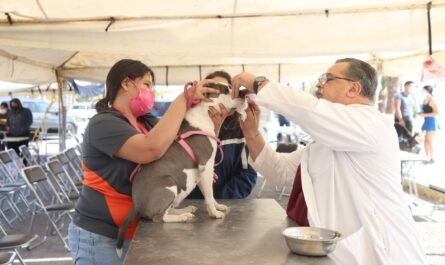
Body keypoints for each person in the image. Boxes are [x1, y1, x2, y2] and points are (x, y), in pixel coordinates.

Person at [232, 58, 426, 265]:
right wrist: (252, 133)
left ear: (353, 88)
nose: (320, 84)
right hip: (341, 253)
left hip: (384, 252)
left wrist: (258, 84)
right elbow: (279, 171)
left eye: (328, 79)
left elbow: (311, 110)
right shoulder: (327, 140)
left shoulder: (373, 124)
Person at [67, 59, 219, 265]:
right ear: (126, 84)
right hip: (101, 237)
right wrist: (183, 100)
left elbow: (183, 150)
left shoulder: (146, 123)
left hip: (141, 231)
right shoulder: (102, 124)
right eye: (147, 84)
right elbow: (152, 149)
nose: (151, 91)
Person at [187, 70, 257, 199]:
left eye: (228, 91)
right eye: (216, 93)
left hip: (229, 205)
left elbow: (248, 175)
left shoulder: (241, 130)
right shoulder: (187, 130)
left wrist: (219, 199)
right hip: (191, 205)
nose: (224, 97)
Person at [419, 85, 440, 163]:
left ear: (428, 91)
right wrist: (421, 113)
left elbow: (437, 112)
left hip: (432, 122)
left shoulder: (432, 100)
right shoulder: (425, 100)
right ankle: (427, 156)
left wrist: (425, 115)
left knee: (429, 140)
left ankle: (432, 157)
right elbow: (426, 111)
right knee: (425, 140)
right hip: (426, 121)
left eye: (424, 91)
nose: (422, 92)